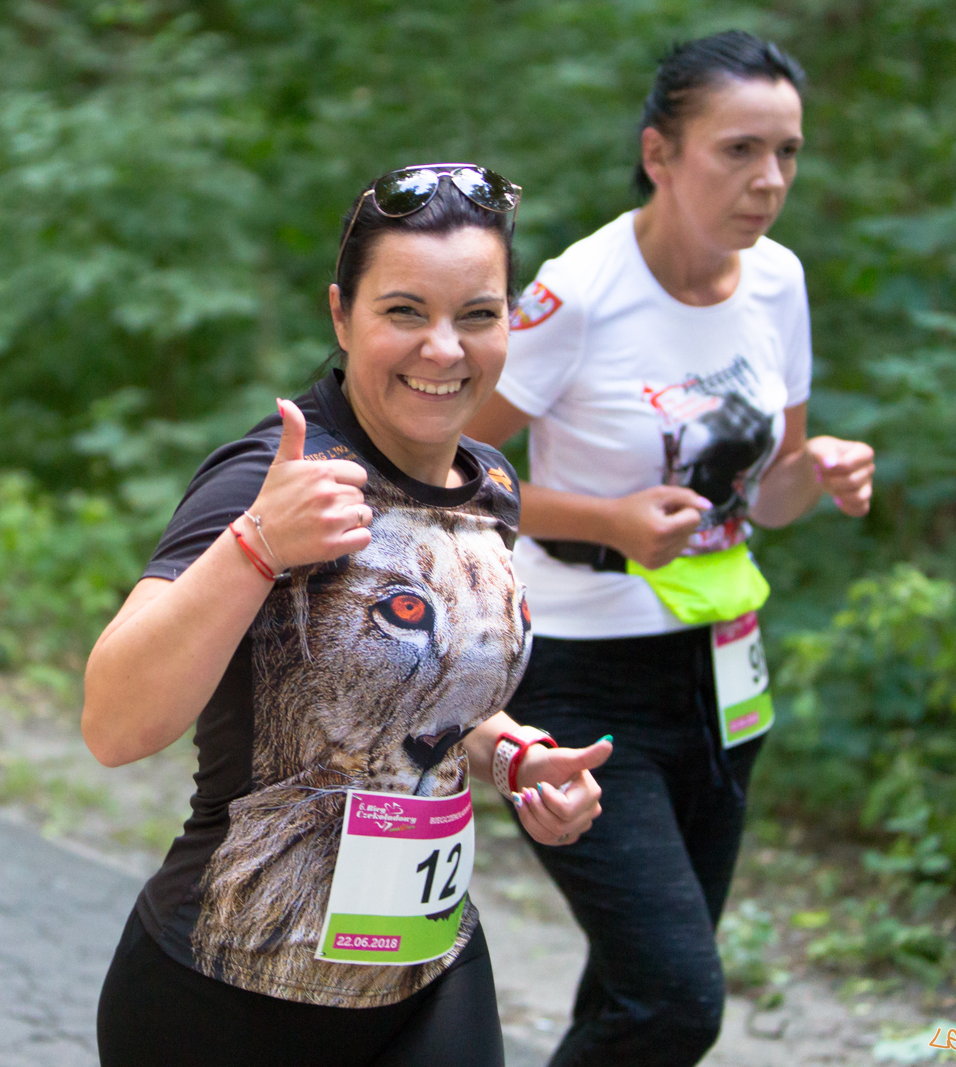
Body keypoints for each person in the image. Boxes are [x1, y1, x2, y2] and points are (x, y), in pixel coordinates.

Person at [84, 164, 615, 1067]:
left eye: (477, 315)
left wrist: (511, 751)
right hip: (232, 992)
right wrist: (257, 543)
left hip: (426, 975)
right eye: (404, 311)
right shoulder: (277, 478)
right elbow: (114, 721)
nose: (444, 350)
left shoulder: (490, 487)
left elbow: (422, 695)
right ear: (342, 315)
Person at [464, 32, 876, 1067]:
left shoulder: (777, 283)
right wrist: (606, 522)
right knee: (675, 1001)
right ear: (659, 153)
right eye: (737, 150)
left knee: (632, 992)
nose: (768, 179)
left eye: (786, 151)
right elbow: (450, 473)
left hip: (723, 669)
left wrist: (816, 470)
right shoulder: (580, 290)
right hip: (577, 668)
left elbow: (767, 499)